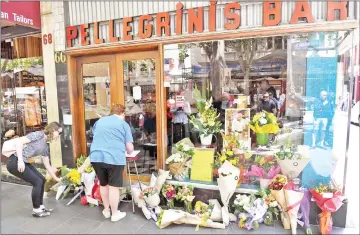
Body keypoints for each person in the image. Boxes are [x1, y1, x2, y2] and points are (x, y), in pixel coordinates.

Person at [3, 122, 62, 217]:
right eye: (59, 133)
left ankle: (40, 206)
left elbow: (47, 165)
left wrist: (56, 178)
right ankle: (36, 210)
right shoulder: (39, 135)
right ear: (53, 130)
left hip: (22, 162)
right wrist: (20, 161)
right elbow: (19, 142)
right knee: (37, 182)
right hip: (14, 161)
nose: (59, 135)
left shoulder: (45, 146)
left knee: (42, 180)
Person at [89, 104, 134, 222]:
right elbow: (129, 147)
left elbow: (96, 136)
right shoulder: (124, 125)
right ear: (122, 113)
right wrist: (130, 151)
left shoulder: (99, 121)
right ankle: (115, 214)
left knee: (103, 184)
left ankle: (106, 211)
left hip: (96, 157)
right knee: (114, 187)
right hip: (114, 158)